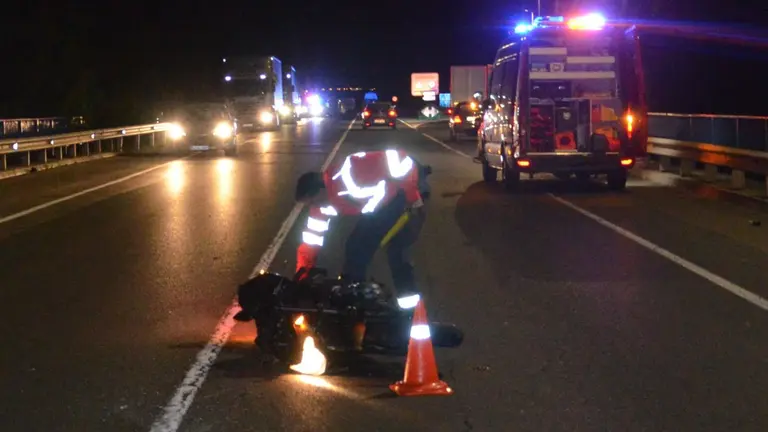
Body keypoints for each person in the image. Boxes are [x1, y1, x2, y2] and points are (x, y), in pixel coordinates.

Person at [292, 149, 430, 309]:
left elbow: (398, 159)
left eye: (311, 202)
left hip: (405, 190)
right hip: (381, 206)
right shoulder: (321, 206)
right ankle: (353, 294)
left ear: (320, 190)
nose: (312, 207)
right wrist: (302, 273)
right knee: (355, 246)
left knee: (392, 249)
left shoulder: (350, 173)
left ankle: (409, 309)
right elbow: (311, 241)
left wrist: (413, 198)